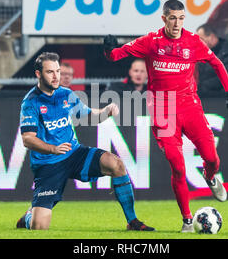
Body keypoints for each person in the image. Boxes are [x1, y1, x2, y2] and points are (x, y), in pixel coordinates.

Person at [103, 0, 228, 233]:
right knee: (177, 167)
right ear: (164, 19)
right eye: (172, 18)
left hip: (190, 106)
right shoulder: (150, 41)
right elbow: (116, 56)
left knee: (212, 159)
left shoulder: (193, 41)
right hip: (161, 111)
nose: (177, 23)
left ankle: (210, 177)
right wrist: (108, 49)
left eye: (181, 18)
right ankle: (187, 220)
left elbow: (217, 63)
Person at [15, 52, 154, 231]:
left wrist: (106, 111)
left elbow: (88, 115)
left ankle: (132, 221)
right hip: (48, 164)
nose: (56, 76)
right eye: (50, 72)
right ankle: (28, 217)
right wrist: (53, 149)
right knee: (39, 227)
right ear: (38, 74)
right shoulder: (30, 102)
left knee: (116, 164)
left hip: (74, 154)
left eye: (57, 71)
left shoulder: (66, 93)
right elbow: (28, 139)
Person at [196, 23, 228, 93]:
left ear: (212, 37)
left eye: (201, 39)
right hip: (206, 96)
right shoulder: (204, 53)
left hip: (222, 98)